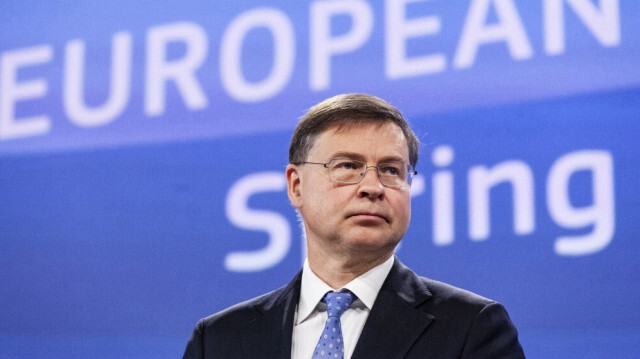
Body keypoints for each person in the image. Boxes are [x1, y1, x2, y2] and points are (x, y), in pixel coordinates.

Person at [183, 93, 525, 358]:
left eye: (392, 170)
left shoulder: (471, 327)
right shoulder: (218, 340)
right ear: (296, 186)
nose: (373, 187)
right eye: (348, 165)